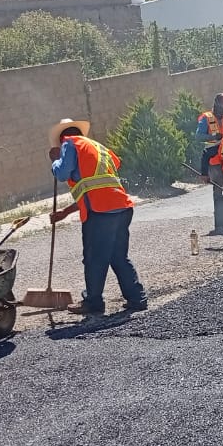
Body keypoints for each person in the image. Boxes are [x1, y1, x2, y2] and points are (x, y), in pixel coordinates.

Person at [48, 118, 147, 316]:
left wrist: (55, 161)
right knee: (118, 256)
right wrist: (64, 213)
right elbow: (94, 189)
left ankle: (93, 303)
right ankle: (137, 298)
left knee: (94, 258)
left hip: (101, 213)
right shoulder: (98, 148)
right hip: (121, 207)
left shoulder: (70, 143)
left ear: (62, 138)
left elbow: (62, 173)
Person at [196, 93, 223, 235]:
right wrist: (212, 137)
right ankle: (220, 223)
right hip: (213, 161)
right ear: (218, 105)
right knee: (219, 191)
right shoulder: (205, 118)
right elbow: (198, 136)